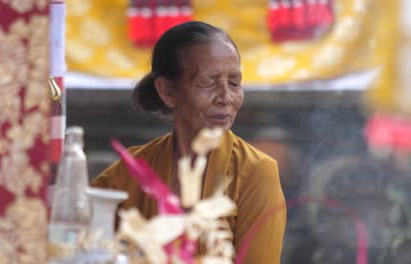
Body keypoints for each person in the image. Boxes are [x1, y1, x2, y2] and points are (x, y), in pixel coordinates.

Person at [91, 21, 286, 263]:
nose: (226, 97)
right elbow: (82, 242)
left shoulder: (256, 172)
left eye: (234, 82)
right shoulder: (131, 171)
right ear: (167, 91)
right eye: (208, 83)